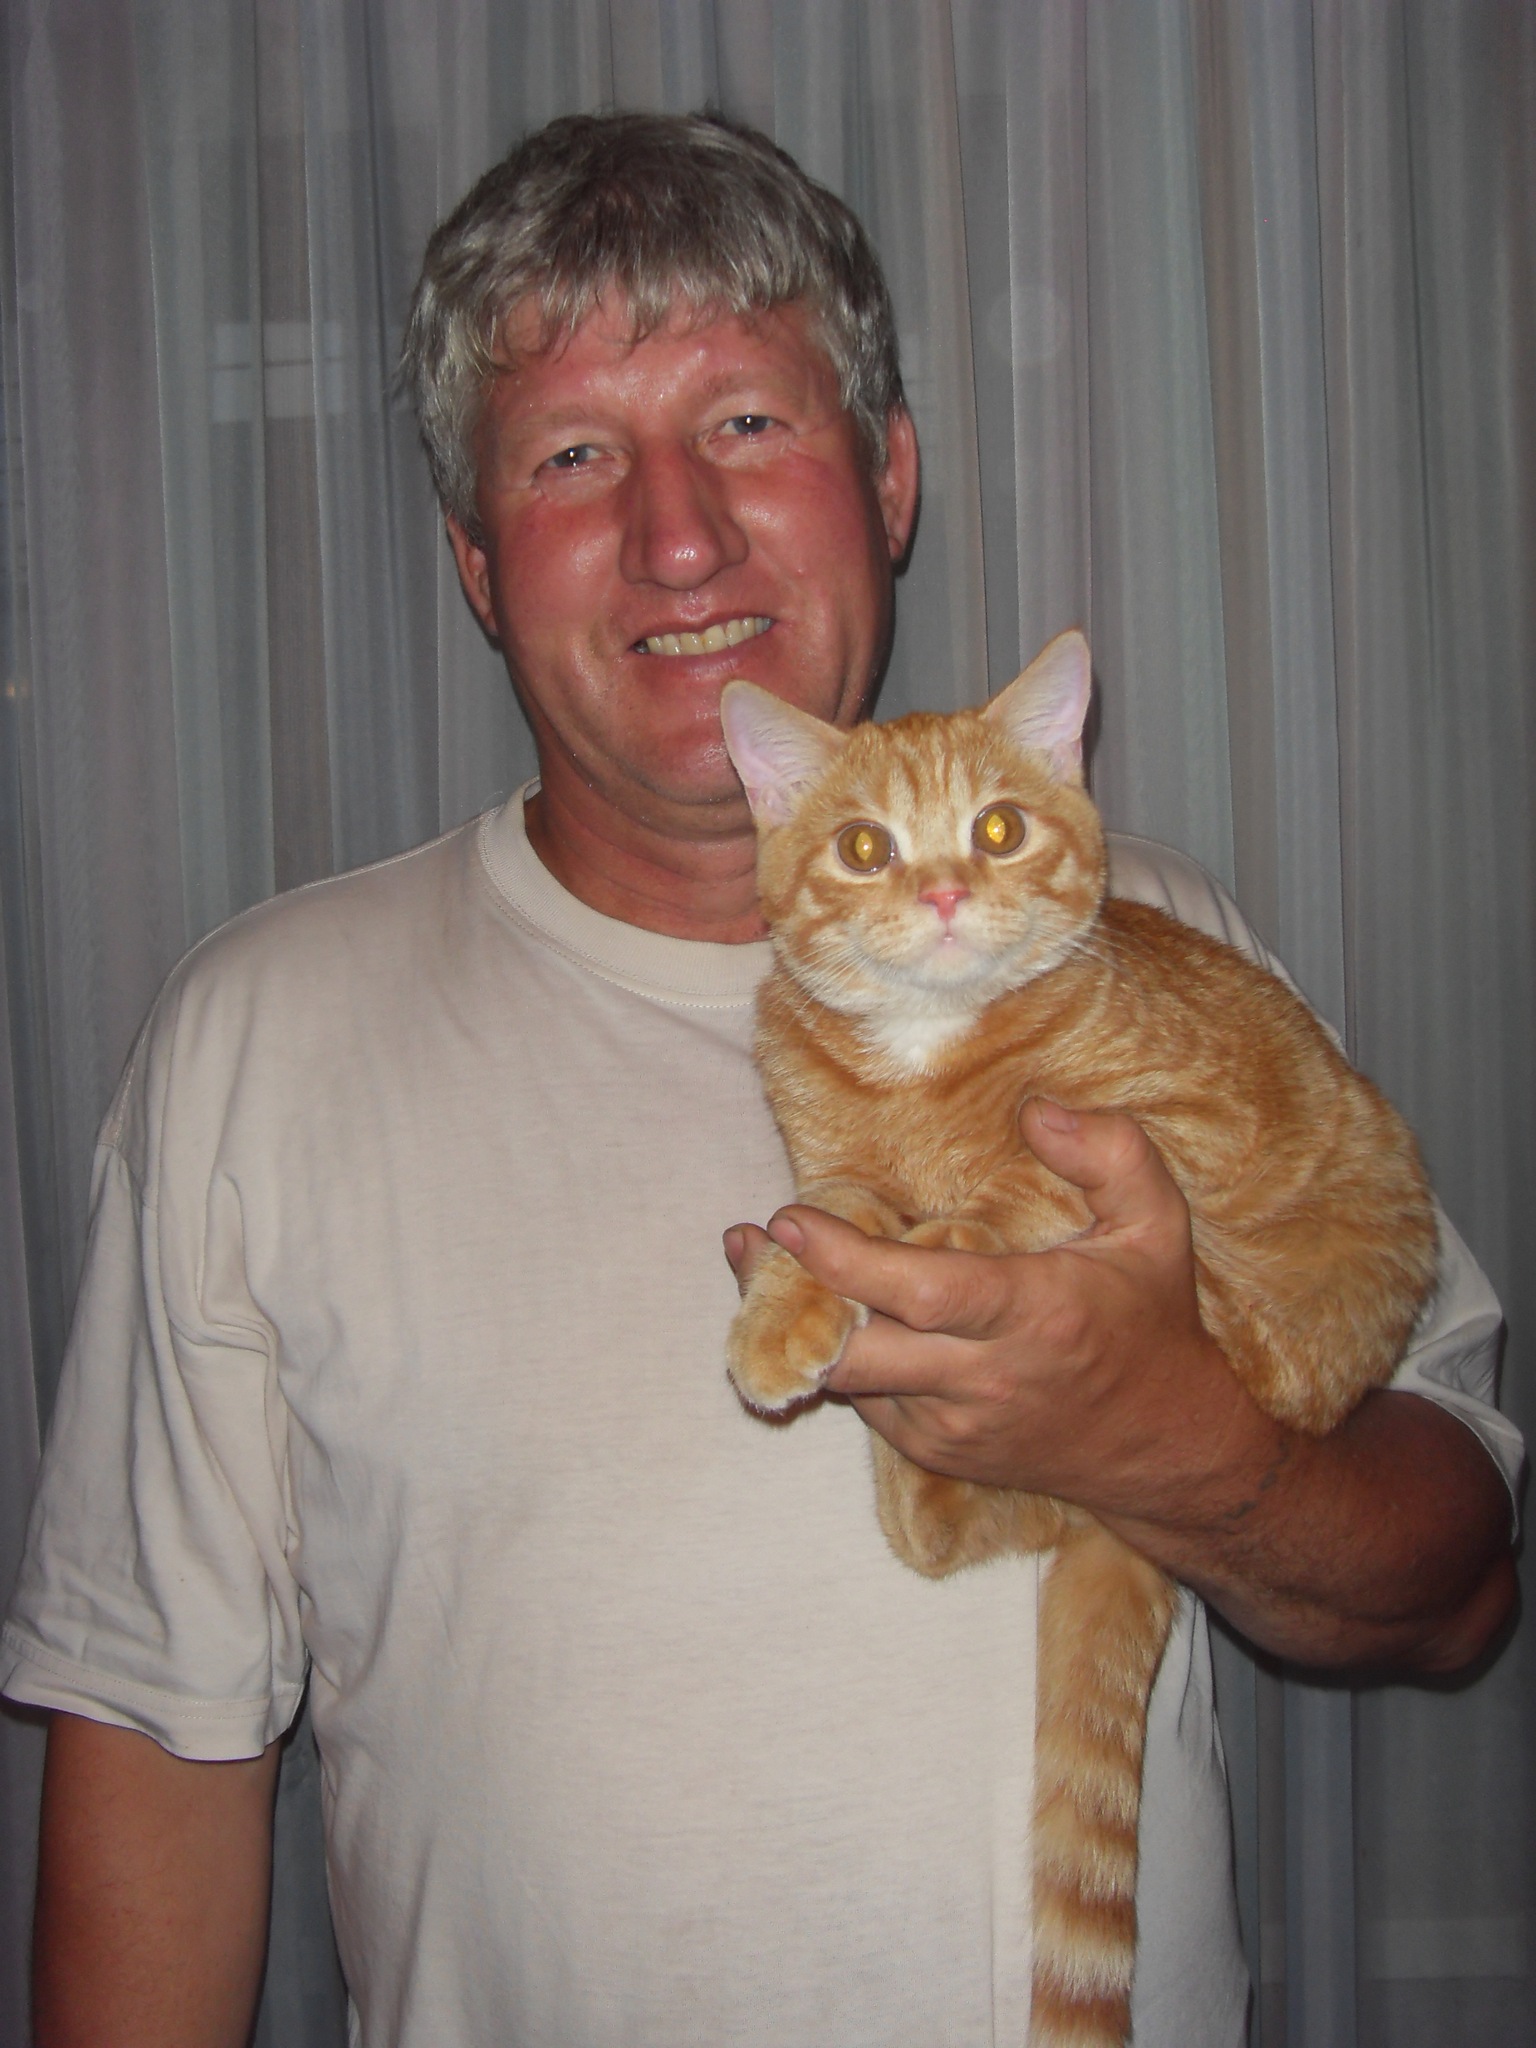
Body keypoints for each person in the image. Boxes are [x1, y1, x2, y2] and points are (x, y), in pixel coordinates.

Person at [3, 112, 1520, 2048]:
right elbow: (157, 1741)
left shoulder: (1159, 940)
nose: (679, 536)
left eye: (745, 420)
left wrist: (1186, 1449)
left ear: (889, 477)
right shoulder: (255, 1035)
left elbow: (1456, 1588)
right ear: (475, 563)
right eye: (572, 455)